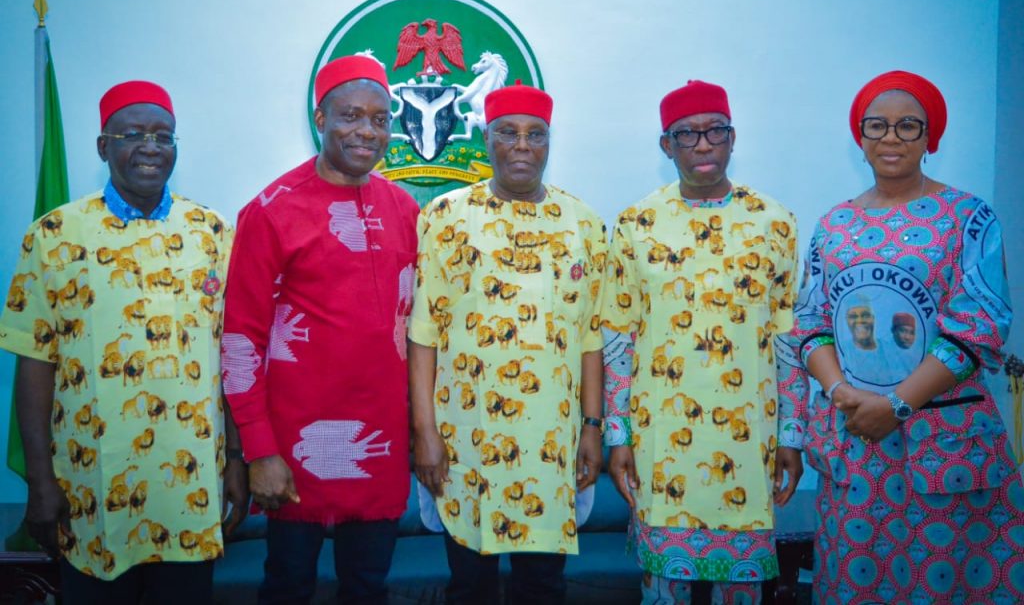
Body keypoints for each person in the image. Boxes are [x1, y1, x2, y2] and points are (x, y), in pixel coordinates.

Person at [781, 70, 1024, 604]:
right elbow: (811, 323)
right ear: (860, 136)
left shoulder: (967, 217)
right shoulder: (834, 225)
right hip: (857, 446)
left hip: (945, 446)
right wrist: (839, 392)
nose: (891, 137)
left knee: (950, 587)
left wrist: (897, 404)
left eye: (908, 126)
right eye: (878, 125)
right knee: (855, 585)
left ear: (930, 137)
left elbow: (979, 326)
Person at [0, 81, 245, 602]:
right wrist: (40, 482)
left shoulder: (213, 233)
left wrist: (238, 464)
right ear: (102, 146)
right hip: (91, 486)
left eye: (164, 136)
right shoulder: (54, 235)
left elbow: (233, 356)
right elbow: (34, 362)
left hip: (190, 486)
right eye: (133, 134)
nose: (151, 147)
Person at [221, 55, 418, 604]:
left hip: (376, 448)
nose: (367, 131)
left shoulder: (404, 208)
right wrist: (258, 451)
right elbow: (240, 343)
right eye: (351, 115)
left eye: (380, 120)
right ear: (320, 118)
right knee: (286, 588)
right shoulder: (270, 211)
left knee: (367, 588)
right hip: (292, 450)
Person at [601, 80, 804, 604]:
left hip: (749, 440)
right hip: (661, 441)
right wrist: (617, 435)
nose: (704, 145)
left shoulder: (774, 222)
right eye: (687, 135)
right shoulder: (635, 224)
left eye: (716, 131)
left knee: (742, 589)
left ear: (733, 138)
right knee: (664, 590)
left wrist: (793, 435)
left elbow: (790, 339)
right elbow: (617, 339)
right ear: (666, 146)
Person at [408, 82, 606, 605]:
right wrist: (425, 432)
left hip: (552, 443)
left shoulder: (583, 223)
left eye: (535, 134)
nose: (522, 145)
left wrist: (591, 427)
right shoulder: (446, 216)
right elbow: (423, 335)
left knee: (542, 586)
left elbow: (590, 338)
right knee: (469, 586)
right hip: (467, 439)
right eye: (508, 133)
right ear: (486, 140)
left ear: (549, 142)